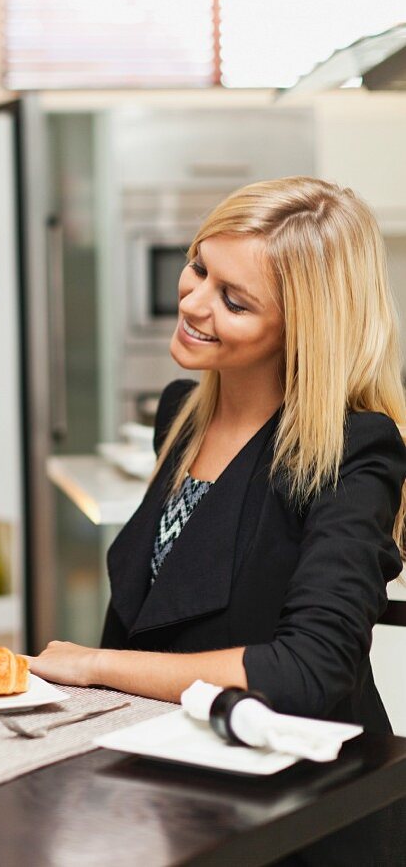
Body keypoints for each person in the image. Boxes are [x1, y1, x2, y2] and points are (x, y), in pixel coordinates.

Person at [30, 177, 406, 866]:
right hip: (175, 783)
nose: (194, 302)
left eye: (234, 301)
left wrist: (92, 666)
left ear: (302, 328)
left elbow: (307, 671)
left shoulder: (355, 452)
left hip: (299, 816)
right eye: (199, 267)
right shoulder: (180, 417)